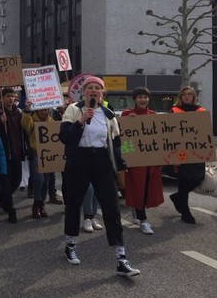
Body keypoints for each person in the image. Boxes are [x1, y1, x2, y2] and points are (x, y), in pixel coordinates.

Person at [59, 76, 140, 277]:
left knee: (111, 207)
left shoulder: (109, 114)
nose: (94, 91)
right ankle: (70, 244)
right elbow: (65, 137)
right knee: (74, 202)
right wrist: (81, 121)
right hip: (80, 159)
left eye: (98, 88)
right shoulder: (73, 110)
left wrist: (120, 165)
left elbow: (117, 143)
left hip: (102, 159)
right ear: (83, 92)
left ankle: (121, 258)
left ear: (102, 93)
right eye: (90, 88)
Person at [121, 87, 164, 234]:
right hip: (135, 160)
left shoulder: (153, 115)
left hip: (150, 160)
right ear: (135, 99)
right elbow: (122, 138)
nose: (143, 99)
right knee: (137, 188)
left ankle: (138, 210)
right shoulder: (127, 114)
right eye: (140, 97)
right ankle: (143, 220)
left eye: (145, 97)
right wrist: (129, 122)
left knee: (147, 188)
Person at [168, 86, 206, 224]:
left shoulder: (202, 111)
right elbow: (168, 135)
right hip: (180, 151)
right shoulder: (174, 111)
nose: (187, 96)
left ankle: (178, 197)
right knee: (183, 180)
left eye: (189, 94)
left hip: (197, 151)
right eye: (184, 94)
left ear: (194, 96)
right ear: (180, 97)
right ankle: (185, 213)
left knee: (197, 178)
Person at [0, 88, 27, 223]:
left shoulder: (18, 112)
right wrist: (0, 124)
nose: (11, 99)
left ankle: (1, 197)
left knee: (17, 179)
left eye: (13, 96)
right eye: (8, 96)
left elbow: (26, 126)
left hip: (16, 151)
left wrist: (28, 110)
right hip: (4, 153)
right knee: (6, 181)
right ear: (1, 98)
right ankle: (10, 210)